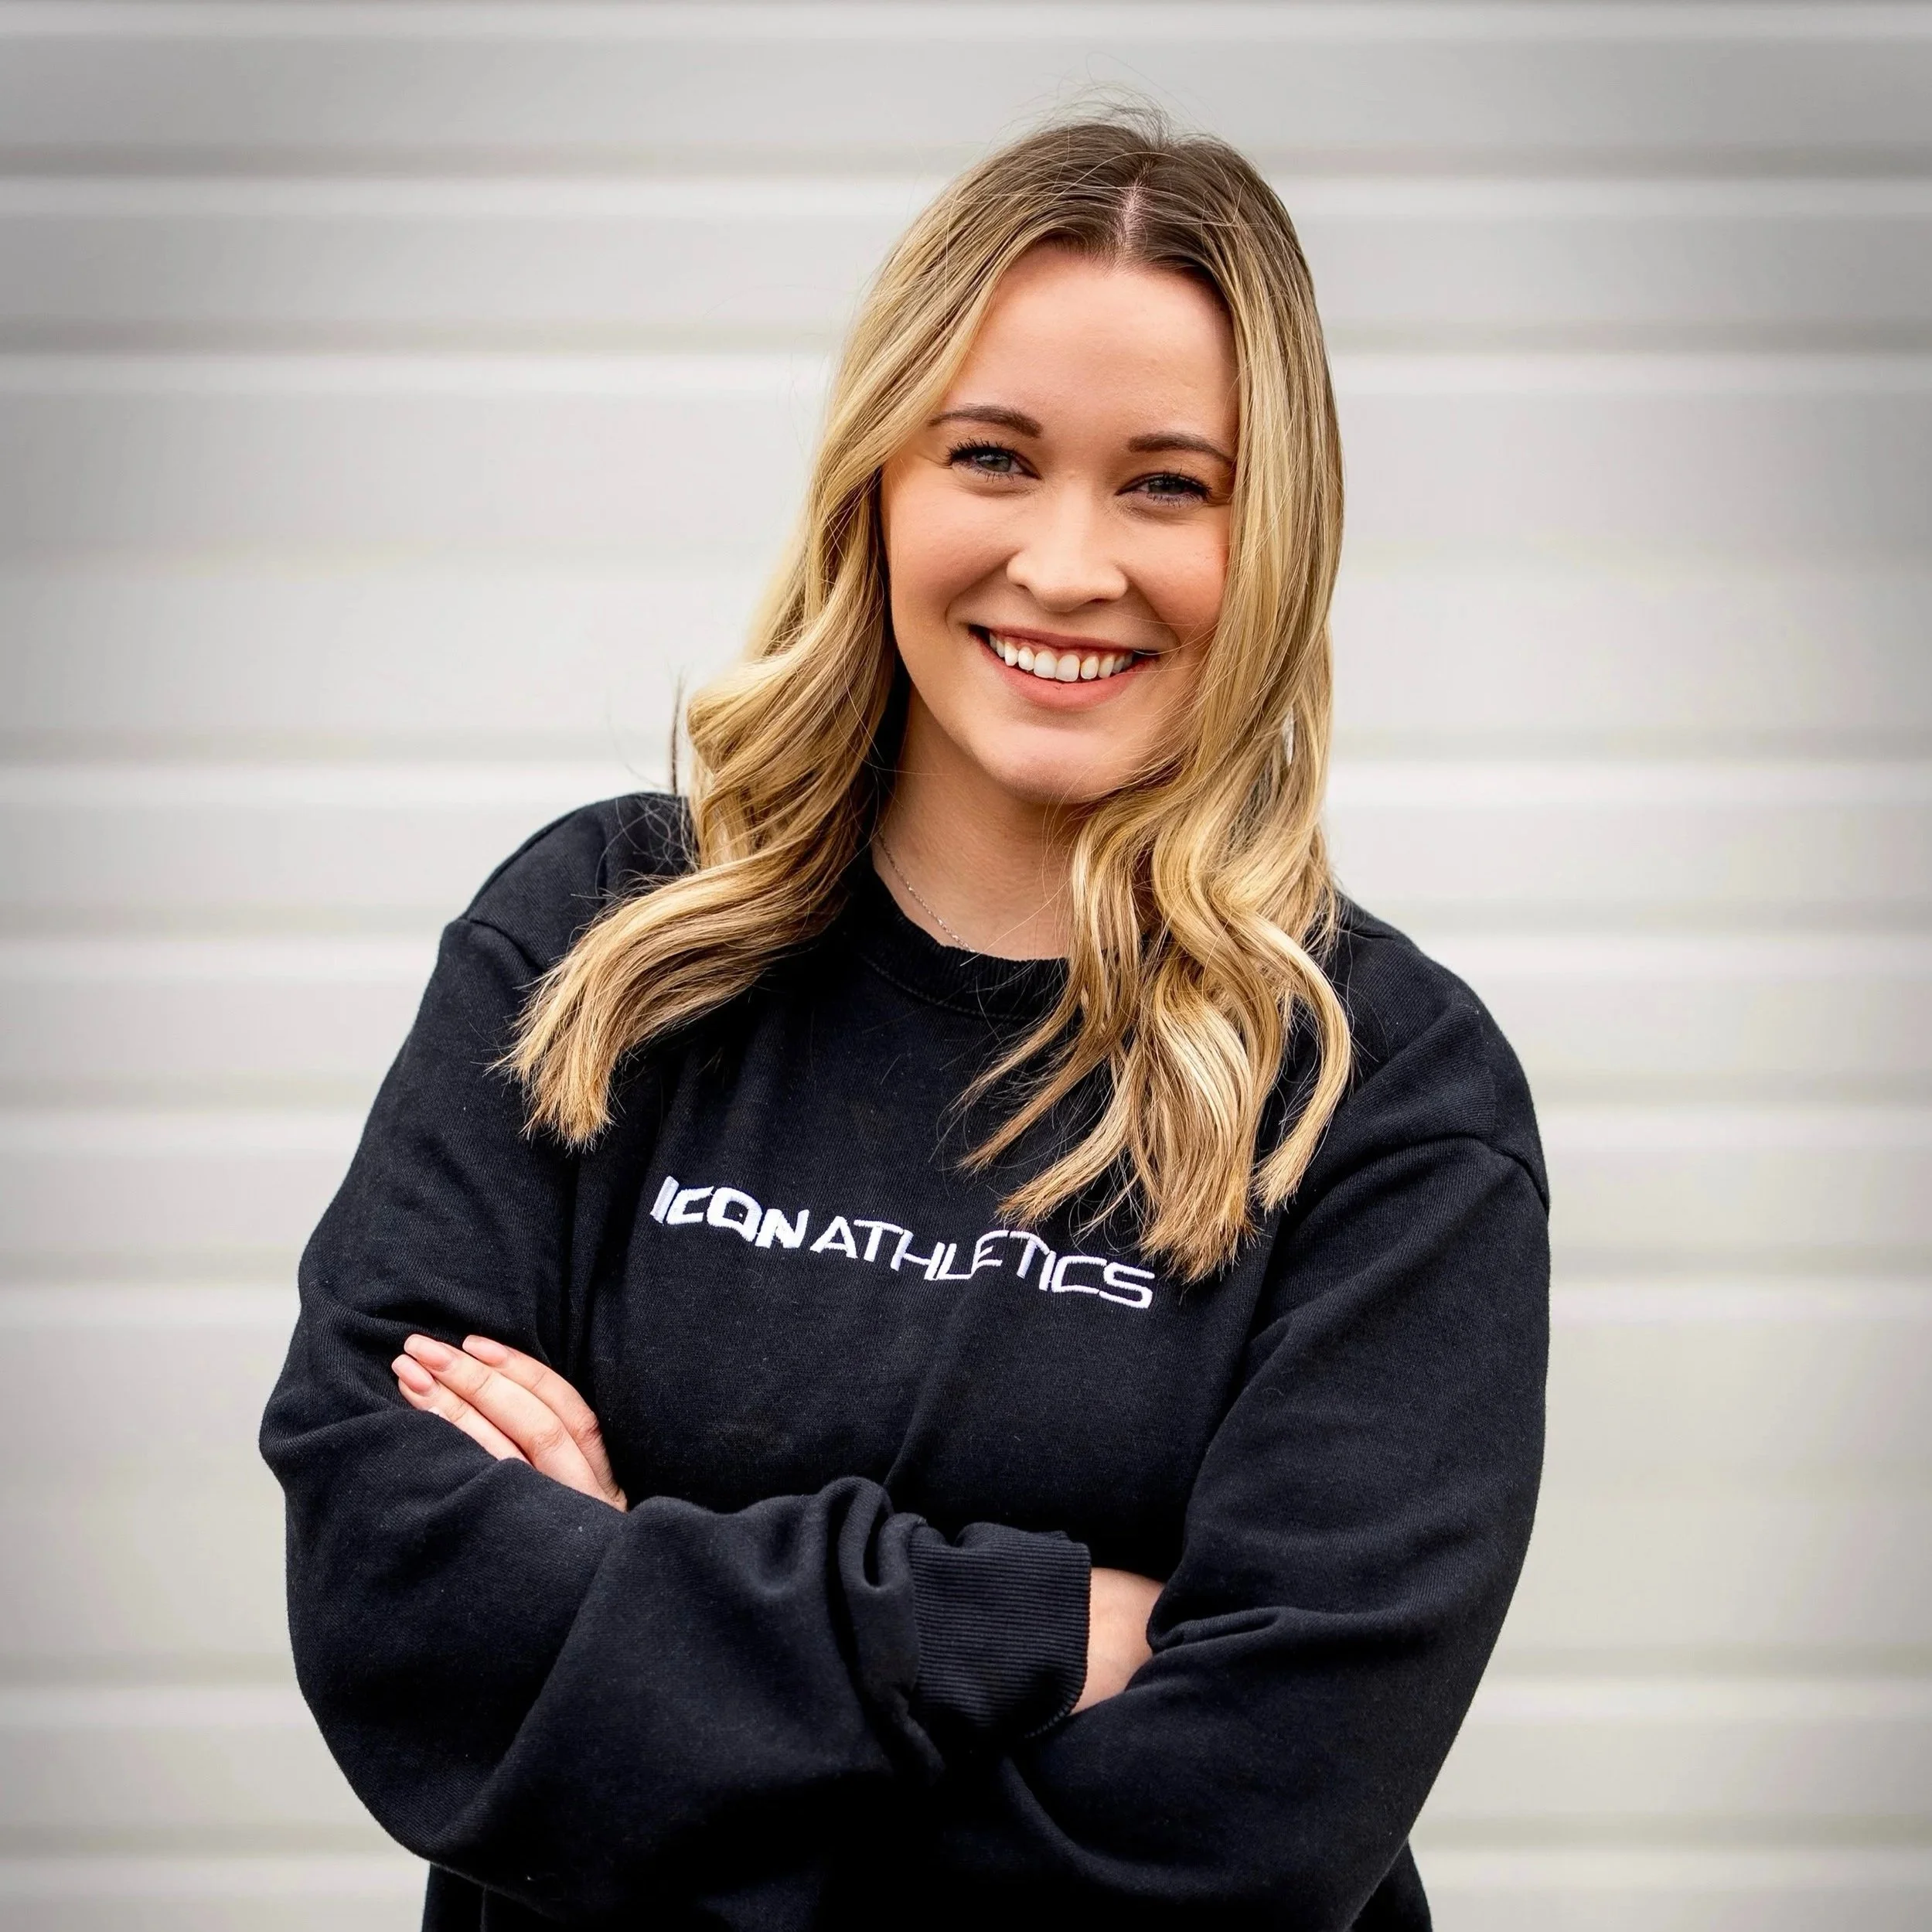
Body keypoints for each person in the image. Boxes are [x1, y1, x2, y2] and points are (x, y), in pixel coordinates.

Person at [261, 111, 1548, 1932]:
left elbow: (1254, 1823)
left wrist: (623, 1620)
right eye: (993, 456)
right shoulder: (595, 950)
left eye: (1167, 484)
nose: (1068, 564)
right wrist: (1030, 1625)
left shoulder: (1380, 1098)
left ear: (1274, 536)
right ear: (878, 478)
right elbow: (401, 1605)